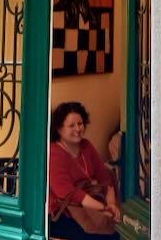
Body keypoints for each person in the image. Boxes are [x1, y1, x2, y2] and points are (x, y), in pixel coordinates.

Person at [49, 102, 121, 240]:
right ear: (59, 129)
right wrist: (103, 208)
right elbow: (68, 193)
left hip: (89, 208)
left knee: (120, 231)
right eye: (71, 125)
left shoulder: (86, 146)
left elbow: (105, 178)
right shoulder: (54, 153)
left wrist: (111, 204)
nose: (78, 129)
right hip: (63, 212)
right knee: (107, 237)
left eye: (80, 123)